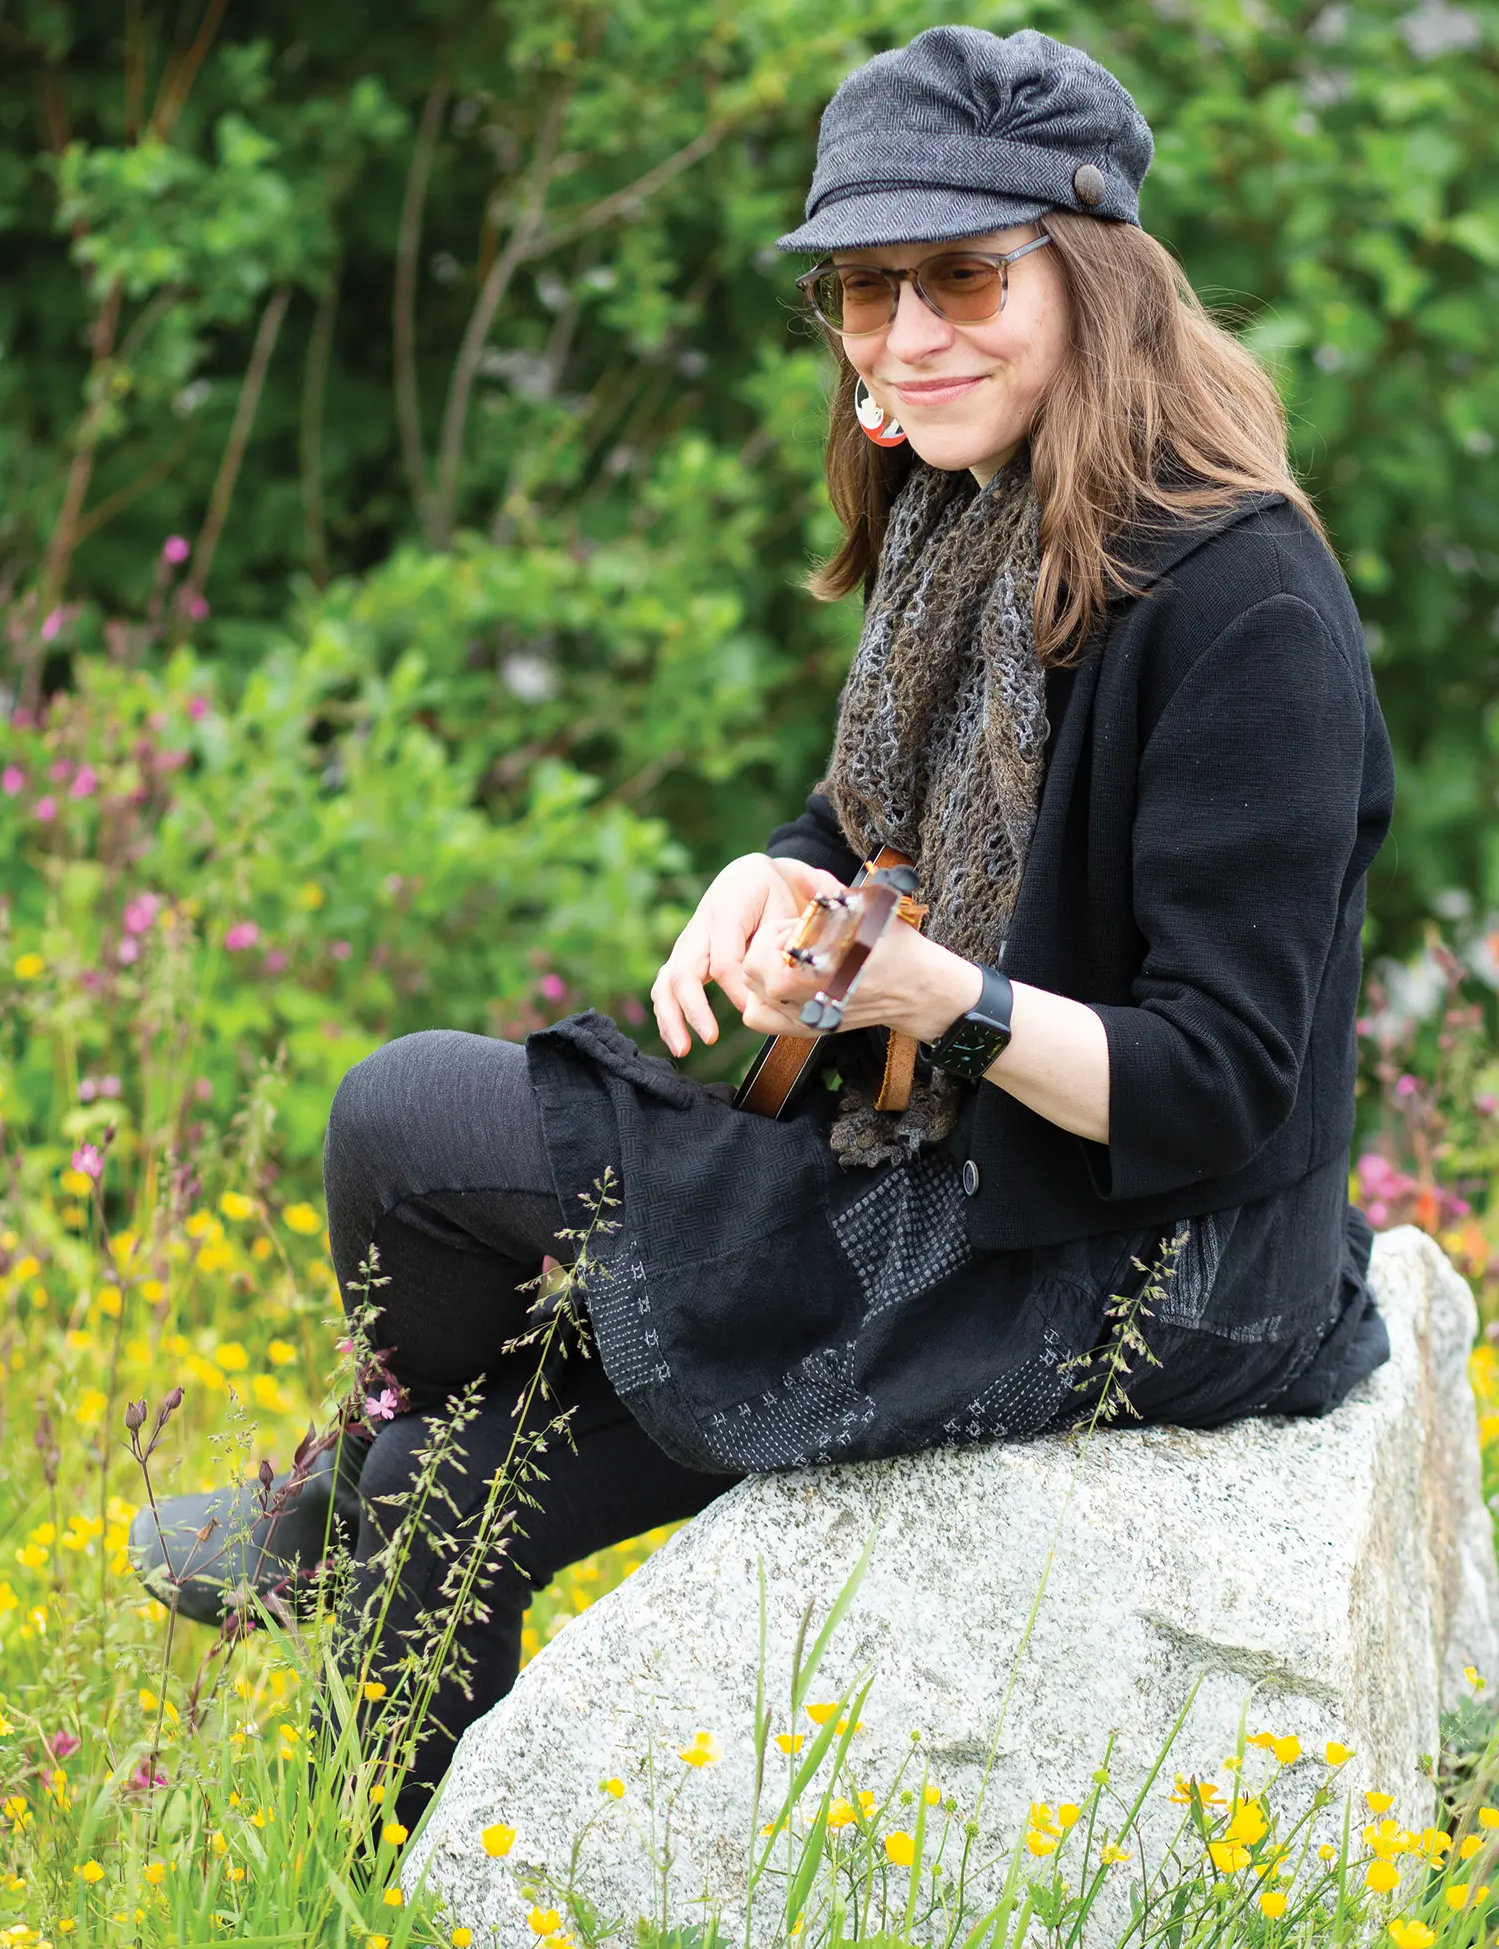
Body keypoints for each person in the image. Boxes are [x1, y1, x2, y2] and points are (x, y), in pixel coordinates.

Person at [131, 25, 1394, 1829]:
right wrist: (775, 869)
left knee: (409, 1122)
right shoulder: (974, 514)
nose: (906, 334)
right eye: (865, 290)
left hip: (1141, 1269)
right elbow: (876, 824)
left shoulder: (1243, 602)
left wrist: (937, 999)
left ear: (1098, 275)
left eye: (964, 273)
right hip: (966, 1177)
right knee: (434, 1495)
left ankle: (343, 1486)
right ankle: (361, 1870)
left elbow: (1223, 1090)